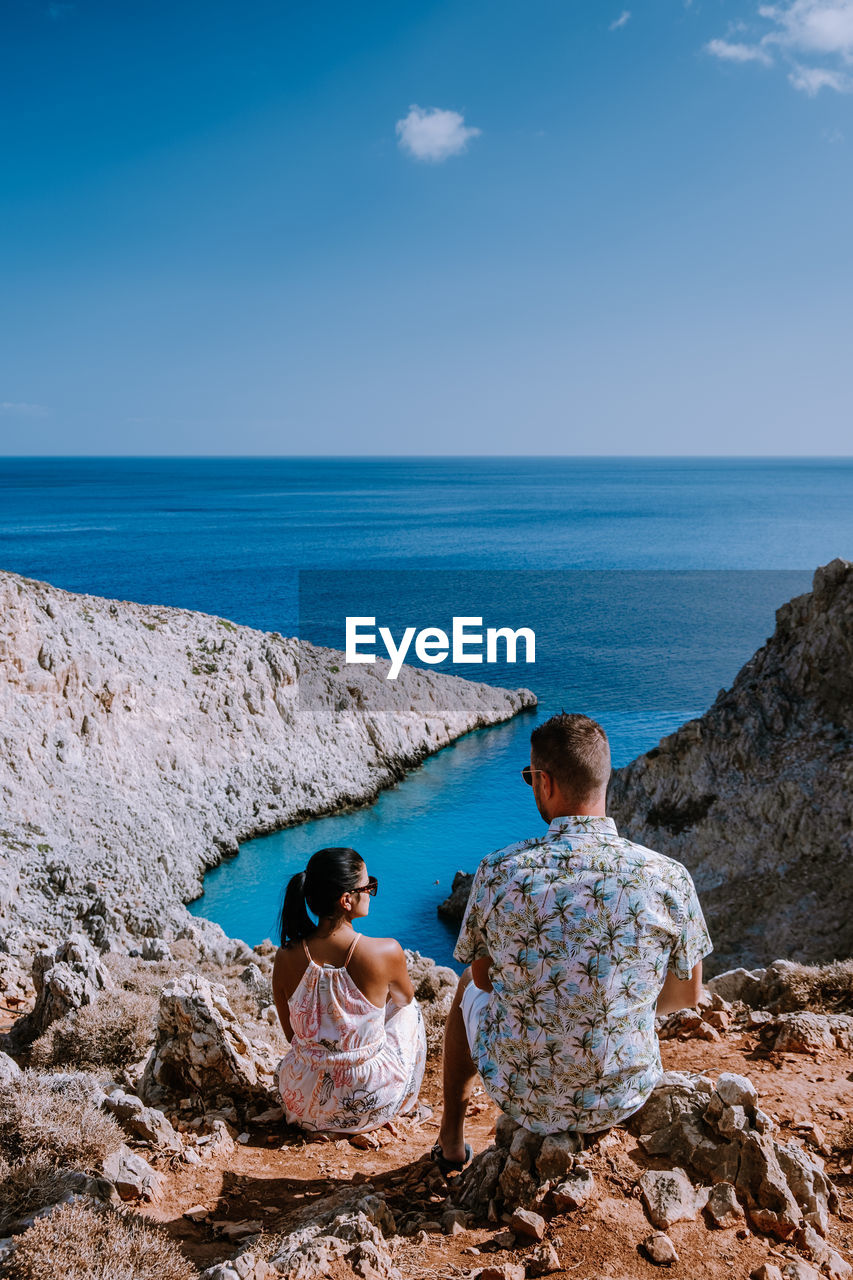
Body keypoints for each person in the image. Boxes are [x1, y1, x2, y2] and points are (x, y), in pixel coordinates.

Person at [435, 713, 712, 1171]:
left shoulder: (499, 871)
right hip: (623, 1094)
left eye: (529, 777)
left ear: (544, 783)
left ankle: (451, 1139)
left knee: (466, 982)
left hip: (523, 1094)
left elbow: (483, 978)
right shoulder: (669, 877)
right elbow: (687, 994)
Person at [273, 845, 427, 1134]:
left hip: (301, 1102)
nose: (371, 892)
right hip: (366, 1103)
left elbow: (292, 1035)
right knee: (409, 1008)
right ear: (346, 900)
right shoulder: (385, 951)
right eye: (368, 886)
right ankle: (405, 1103)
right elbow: (405, 999)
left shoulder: (285, 956)